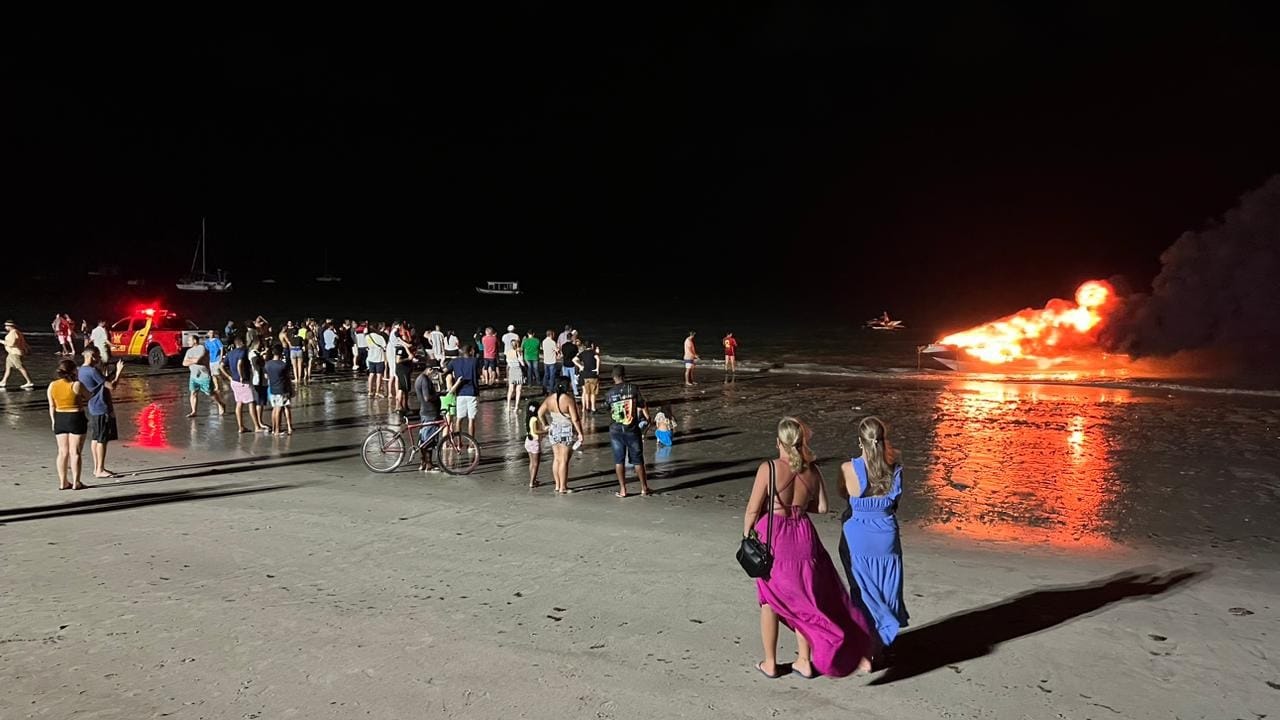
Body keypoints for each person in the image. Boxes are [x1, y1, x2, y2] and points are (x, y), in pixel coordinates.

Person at [743, 417, 872, 679]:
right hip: (803, 537)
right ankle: (804, 660)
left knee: (770, 600)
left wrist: (747, 537)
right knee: (802, 601)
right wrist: (799, 508)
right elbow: (823, 507)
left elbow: (752, 510)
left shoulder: (768, 468)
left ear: (779, 442)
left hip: (775, 538)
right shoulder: (812, 471)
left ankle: (770, 662)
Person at [838, 416, 909, 656]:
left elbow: (844, 494)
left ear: (861, 442)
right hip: (886, 535)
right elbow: (895, 502)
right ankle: (878, 642)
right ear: (883, 440)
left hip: (858, 534)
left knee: (863, 590)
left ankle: (866, 647)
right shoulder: (895, 470)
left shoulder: (848, 468)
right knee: (886, 589)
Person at [605, 365, 651, 497]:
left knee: (619, 460)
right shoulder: (633, 388)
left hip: (615, 429)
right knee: (637, 460)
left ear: (613, 377)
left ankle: (623, 489)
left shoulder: (609, 393)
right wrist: (648, 418)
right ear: (624, 375)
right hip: (632, 428)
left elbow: (607, 408)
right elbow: (642, 404)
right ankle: (644, 487)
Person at [78, 348, 123, 478]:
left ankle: (96, 467)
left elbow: (99, 384)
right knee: (102, 439)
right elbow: (111, 386)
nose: (99, 359)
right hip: (101, 406)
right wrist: (119, 372)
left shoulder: (81, 370)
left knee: (95, 438)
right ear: (91, 356)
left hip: (92, 406)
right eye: (97, 356)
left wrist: (106, 375)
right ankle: (100, 469)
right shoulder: (92, 371)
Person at [537, 375, 583, 494]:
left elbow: (539, 412)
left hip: (553, 429)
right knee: (564, 460)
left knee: (556, 458)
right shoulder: (568, 399)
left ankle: (557, 485)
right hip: (565, 430)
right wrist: (580, 433)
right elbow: (575, 419)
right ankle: (563, 487)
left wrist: (545, 424)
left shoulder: (549, 399)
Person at [48, 358, 89, 490]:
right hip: (75, 417)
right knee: (75, 452)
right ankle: (76, 482)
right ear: (73, 371)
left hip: (60, 417)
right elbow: (89, 396)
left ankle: (63, 482)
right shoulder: (76, 384)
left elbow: (51, 406)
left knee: (62, 452)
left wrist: (53, 421)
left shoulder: (52, 385)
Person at [183, 334, 225, 418]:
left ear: (195, 341)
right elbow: (184, 363)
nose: (188, 342)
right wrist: (193, 361)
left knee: (210, 393)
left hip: (204, 376)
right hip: (193, 376)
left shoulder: (202, 348)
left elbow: (198, 360)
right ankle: (193, 411)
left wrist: (190, 360)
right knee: (193, 393)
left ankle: (220, 404)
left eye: (189, 340)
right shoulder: (189, 351)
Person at [220, 335, 255, 433]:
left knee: (239, 403)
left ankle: (241, 427)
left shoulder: (230, 353)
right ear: (242, 342)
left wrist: (228, 376)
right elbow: (240, 364)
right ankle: (257, 426)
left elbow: (221, 365)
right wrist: (241, 376)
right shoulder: (243, 351)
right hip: (243, 381)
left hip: (234, 381)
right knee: (251, 402)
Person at [445, 344, 481, 437]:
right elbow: (478, 374)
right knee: (471, 419)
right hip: (472, 392)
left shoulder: (454, 362)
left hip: (460, 393)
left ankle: (458, 443)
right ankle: (471, 444)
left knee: (459, 419)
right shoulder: (475, 361)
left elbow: (445, 371)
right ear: (470, 352)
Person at [413, 367, 442, 472]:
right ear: (429, 369)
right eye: (434, 372)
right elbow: (427, 397)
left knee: (424, 439)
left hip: (426, 412)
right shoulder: (424, 379)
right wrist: (439, 394)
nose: (434, 374)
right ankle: (429, 464)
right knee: (429, 440)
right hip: (429, 413)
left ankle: (423, 462)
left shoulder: (419, 378)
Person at [264, 345, 294, 435]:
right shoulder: (283, 365)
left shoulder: (267, 364)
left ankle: (274, 428)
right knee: (279, 409)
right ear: (281, 353)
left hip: (272, 389)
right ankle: (277, 430)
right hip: (281, 389)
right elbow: (287, 378)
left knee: (274, 409)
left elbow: (266, 376)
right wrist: (291, 389)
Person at [1, 320, 35, 389]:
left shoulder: (13, 333)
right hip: (11, 353)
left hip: (15, 353)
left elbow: (11, 343)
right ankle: (3, 381)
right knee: (8, 368)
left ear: (10, 326)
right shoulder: (17, 332)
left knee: (20, 367)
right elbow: (24, 343)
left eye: (6, 326)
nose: (5, 327)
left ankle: (29, 382)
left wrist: (1, 341)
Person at [248, 336, 272, 432]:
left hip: (262, 381)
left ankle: (260, 421)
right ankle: (258, 422)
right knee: (259, 402)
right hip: (257, 381)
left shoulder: (257, 353)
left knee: (261, 403)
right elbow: (256, 365)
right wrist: (262, 357)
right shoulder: (253, 354)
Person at [524, 400, 545, 488]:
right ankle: (532, 482)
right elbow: (536, 431)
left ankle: (533, 479)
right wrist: (545, 431)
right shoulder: (535, 419)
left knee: (532, 462)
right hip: (534, 442)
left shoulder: (528, 418)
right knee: (536, 463)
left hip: (528, 441)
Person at [575, 339, 600, 413]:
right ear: (591, 345)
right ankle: (593, 408)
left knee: (586, 392)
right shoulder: (593, 352)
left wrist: (580, 366)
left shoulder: (583, 353)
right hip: (592, 374)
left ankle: (586, 407)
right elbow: (598, 359)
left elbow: (574, 359)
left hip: (585, 375)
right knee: (593, 393)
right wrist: (597, 369)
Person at [365, 322, 388, 398]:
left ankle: (370, 392)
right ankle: (377, 393)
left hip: (370, 358)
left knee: (371, 374)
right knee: (379, 376)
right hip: (379, 358)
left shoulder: (367, 337)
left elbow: (367, 347)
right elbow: (385, 347)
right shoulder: (380, 337)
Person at [505, 338, 525, 410]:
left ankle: (508, 406)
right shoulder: (518, 352)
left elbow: (508, 362)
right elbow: (522, 363)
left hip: (511, 371)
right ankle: (516, 407)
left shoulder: (508, 352)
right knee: (518, 390)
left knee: (510, 390)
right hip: (518, 370)